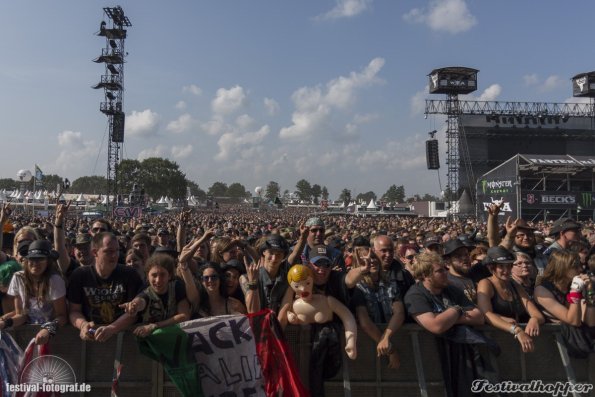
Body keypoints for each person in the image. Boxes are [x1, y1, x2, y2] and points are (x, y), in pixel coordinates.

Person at [404, 251, 488, 397]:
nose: (446, 273)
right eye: (440, 271)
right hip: (432, 361)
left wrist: (448, 316)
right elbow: (436, 326)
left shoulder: (451, 290)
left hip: (461, 360)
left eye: (445, 269)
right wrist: (457, 309)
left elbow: (479, 316)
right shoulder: (415, 295)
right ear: (425, 275)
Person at [281, 264, 357, 397]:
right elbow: (281, 317)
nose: (304, 288)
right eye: (297, 286)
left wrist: (351, 342)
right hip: (299, 354)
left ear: (312, 281)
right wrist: (289, 315)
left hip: (325, 351)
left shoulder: (326, 301)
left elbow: (348, 317)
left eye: (307, 283)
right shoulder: (294, 306)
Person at [67, 232, 144, 342]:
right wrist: (83, 325)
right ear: (95, 252)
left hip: (124, 339)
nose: (115, 255)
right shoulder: (80, 275)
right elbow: (74, 311)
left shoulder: (129, 274)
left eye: (117, 250)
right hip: (91, 339)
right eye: (109, 251)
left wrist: (111, 329)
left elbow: (133, 313)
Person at [477, 246, 545, 353]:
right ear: (491, 268)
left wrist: (534, 319)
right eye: (501, 266)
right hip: (497, 343)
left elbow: (537, 314)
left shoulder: (514, 285)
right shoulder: (485, 283)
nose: (506, 270)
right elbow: (486, 314)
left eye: (509, 266)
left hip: (517, 346)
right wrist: (516, 330)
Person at [0, 240, 67, 345]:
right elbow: (22, 315)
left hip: (54, 337)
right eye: (32, 259)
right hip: (27, 336)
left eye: (40, 259)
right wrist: (5, 323)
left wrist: (48, 329)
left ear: (48, 261)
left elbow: (62, 316)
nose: (35, 263)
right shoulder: (18, 278)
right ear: (27, 260)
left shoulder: (55, 281)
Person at [350, 245, 402, 369]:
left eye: (373, 257)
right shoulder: (358, 288)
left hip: (396, 338)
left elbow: (399, 312)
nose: (371, 261)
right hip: (368, 345)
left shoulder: (391, 283)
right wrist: (390, 349)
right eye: (364, 260)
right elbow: (364, 322)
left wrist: (386, 338)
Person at [118, 254, 190, 337]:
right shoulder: (145, 290)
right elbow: (141, 300)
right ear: (148, 276)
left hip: (175, 337)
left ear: (169, 276)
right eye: (154, 275)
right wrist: (134, 306)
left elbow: (184, 316)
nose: (158, 280)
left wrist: (156, 325)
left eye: (162, 275)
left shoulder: (176, 287)